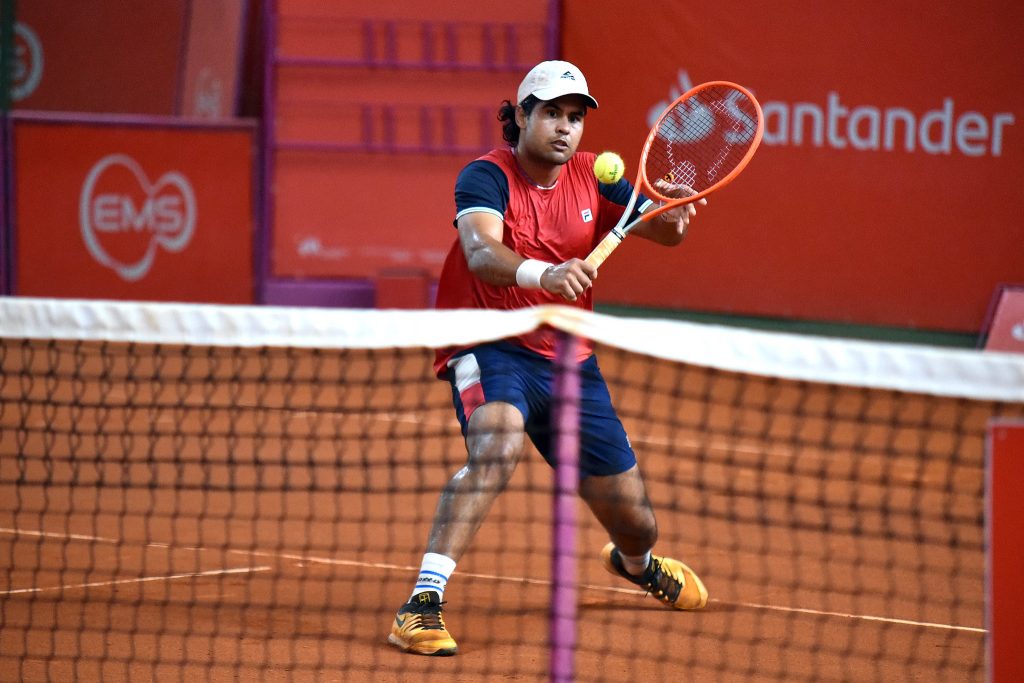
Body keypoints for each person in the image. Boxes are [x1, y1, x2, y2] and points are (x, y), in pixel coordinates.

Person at [387, 60, 709, 656]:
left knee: (639, 523)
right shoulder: (485, 177)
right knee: (498, 443)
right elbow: (482, 251)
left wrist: (675, 216)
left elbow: (664, 232)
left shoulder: (597, 178)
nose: (565, 128)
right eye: (553, 114)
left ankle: (636, 566)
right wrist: (546, 272)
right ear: (523, 116)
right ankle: (422, 602)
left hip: (567, 362)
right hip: (491, 341)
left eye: (575, 117)